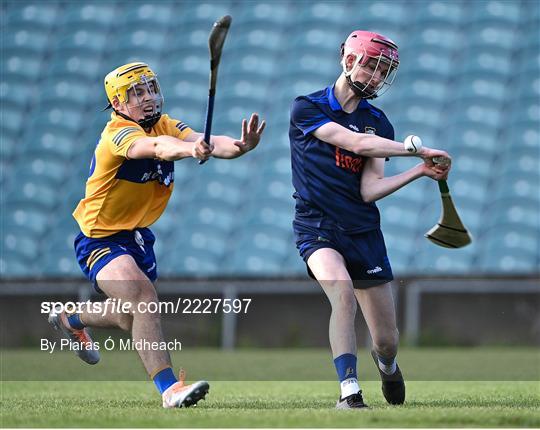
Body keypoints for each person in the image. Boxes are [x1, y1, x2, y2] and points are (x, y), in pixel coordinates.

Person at [48, 62, 266, 408]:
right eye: (136, 93)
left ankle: (69, 318)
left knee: (125, 315)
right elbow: (156, 149)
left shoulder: (166, 124)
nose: (147, 97)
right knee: (143, 297)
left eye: (150, 88)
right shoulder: (117, 134)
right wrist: (188, 150)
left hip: (137, 238)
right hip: (99, 238)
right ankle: (170, 390)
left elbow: (204, 140)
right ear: (119, 104)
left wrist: (240, 146)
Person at [289, 31, 450, 409]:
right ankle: (349, 393)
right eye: (373, 67)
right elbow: (355, 143)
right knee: (341, 293)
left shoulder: (378, 121)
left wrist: (420, 171)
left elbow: (369, 189)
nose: (378, 78)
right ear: (348, 61)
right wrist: (417, 151)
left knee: (386, 340)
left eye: (384, 71)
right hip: (317, 227)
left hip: (362, 231)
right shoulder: (307, 107)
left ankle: (387, 365)